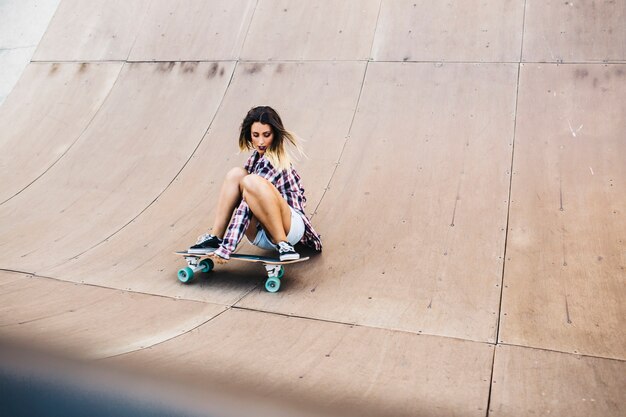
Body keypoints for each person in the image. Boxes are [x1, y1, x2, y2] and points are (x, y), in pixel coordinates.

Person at [189, 106, 322, 263]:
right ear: (249, 136)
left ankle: (283, 244)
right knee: (236, 174)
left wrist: (227, 248)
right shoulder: (255, 159)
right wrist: (222, 244)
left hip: (290, 227)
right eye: (255, 135)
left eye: (266, 135)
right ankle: (215, 238)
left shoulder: (273, 159)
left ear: (275, 134)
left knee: (250, 181)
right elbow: (248, 199)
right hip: (262, 231)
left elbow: (246, 205)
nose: (261, 141)